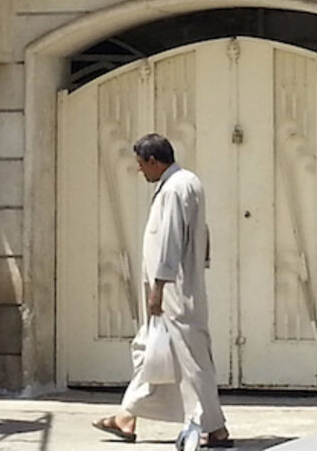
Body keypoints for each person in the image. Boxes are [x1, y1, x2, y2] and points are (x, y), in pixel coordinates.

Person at [93, 133, 230, 446]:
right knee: (153, 352)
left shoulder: (174, 189)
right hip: (180, 287)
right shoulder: (188, 182)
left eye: (142, 165)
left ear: (154, 161)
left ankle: (216, 427)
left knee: (189, 360)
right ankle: (128, 416)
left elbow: (170, 240)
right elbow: (202, 234)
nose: (141, 171)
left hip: (174, 291)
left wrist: (159, 287)